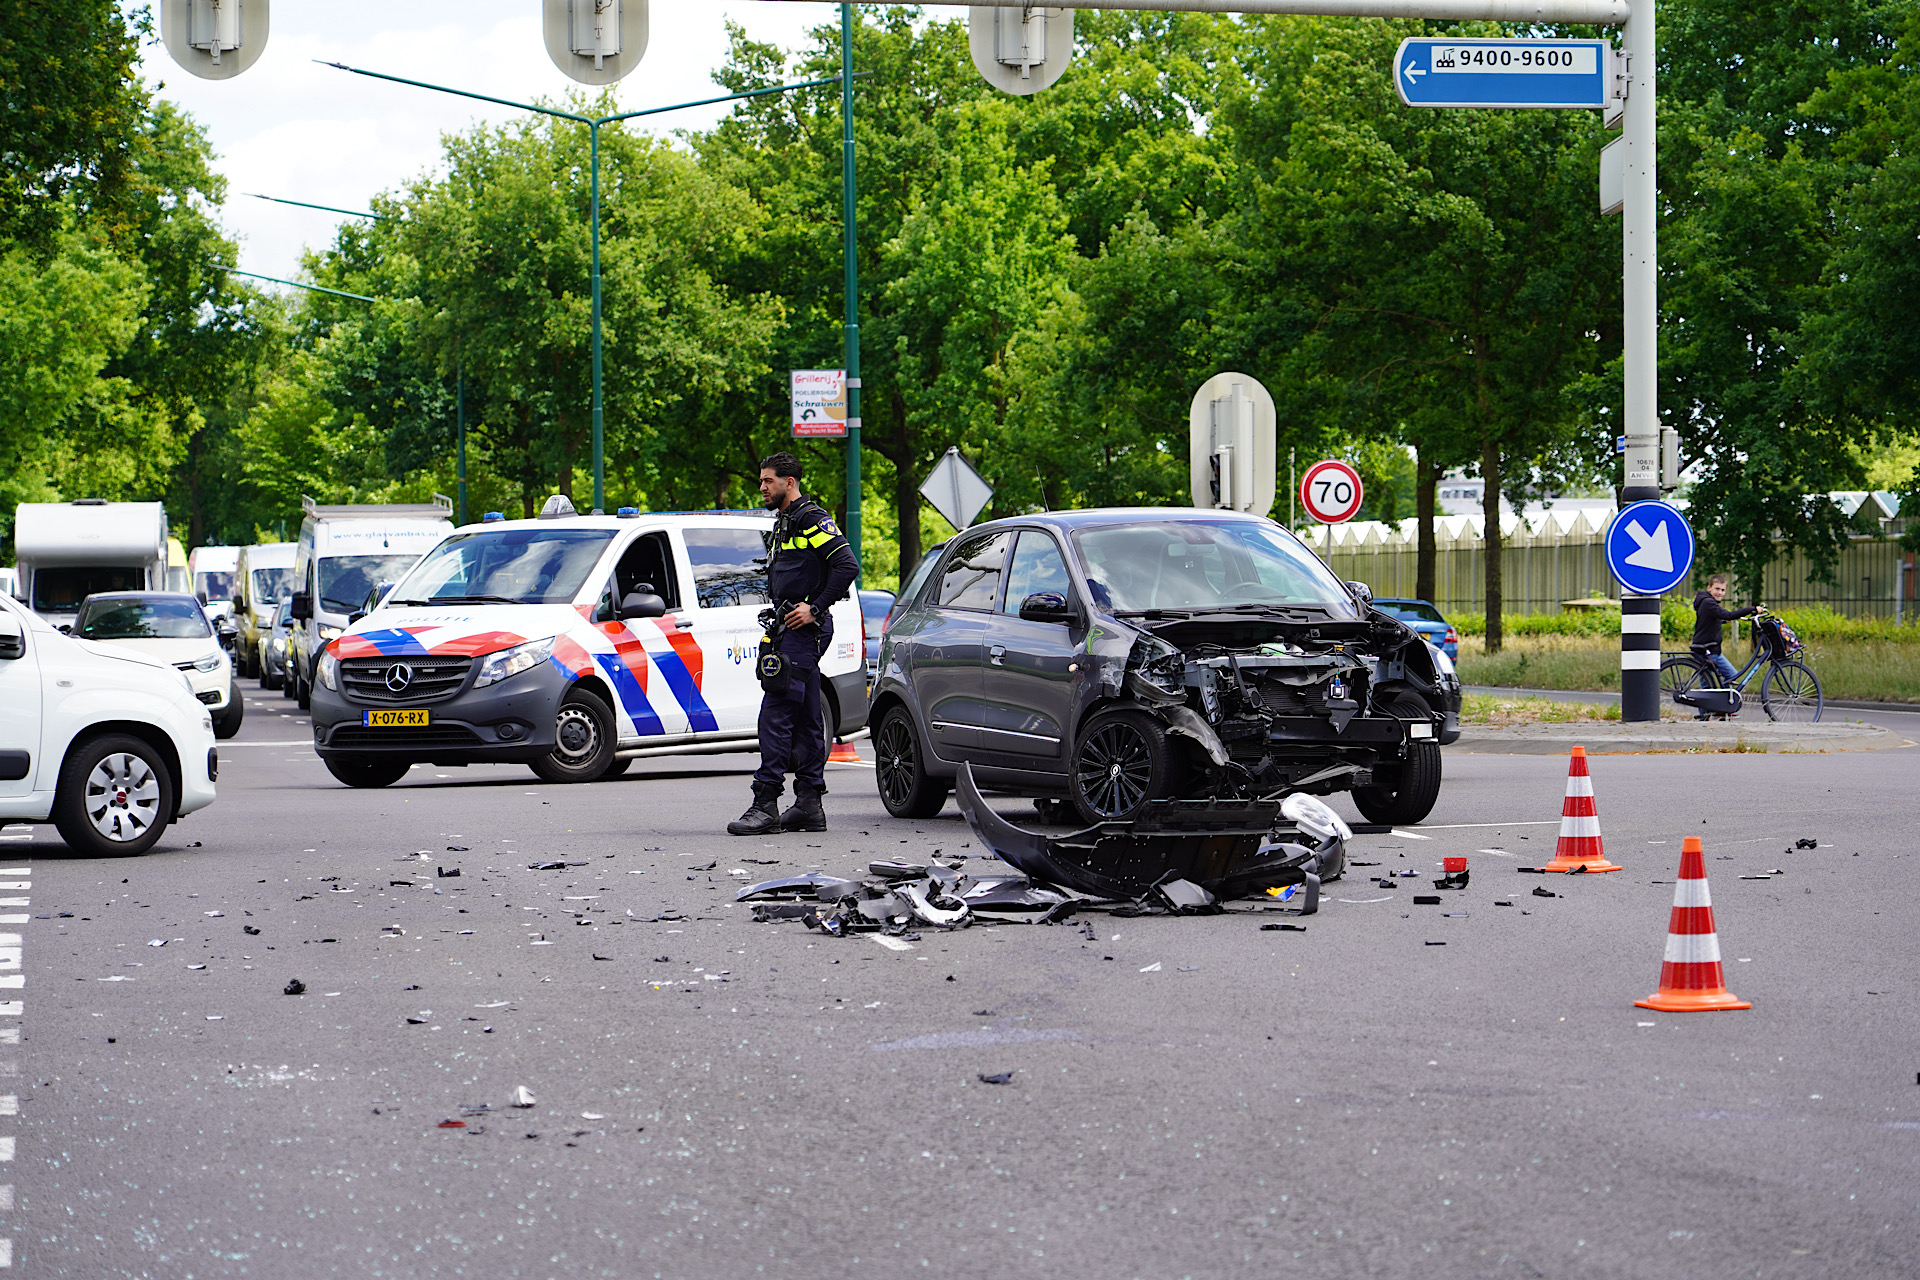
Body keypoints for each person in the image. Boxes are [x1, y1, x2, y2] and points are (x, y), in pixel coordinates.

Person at [727, 452, 859, 836]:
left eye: (768, 481)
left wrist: (814, 608)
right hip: (790, 630)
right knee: (804, 719)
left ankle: (765, 803)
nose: (762, 487)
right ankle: (808, 804)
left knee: (776, 712)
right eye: (762, 480)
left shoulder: (810, 518)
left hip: (804, 632)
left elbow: (847, 565)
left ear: (790, 482)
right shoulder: (784, 522)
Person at [1690, 573, 1759, 684]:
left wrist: (1721, 621)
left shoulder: (1707, 602)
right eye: (1717, 589)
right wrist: (1752, 609)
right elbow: (1729, 615)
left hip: (1711, 649)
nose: (1720, 593)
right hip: (1707, 649)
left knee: (1723, 678)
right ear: (1709, 588)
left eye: (1723, 590)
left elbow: (1707, 620)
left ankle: (1721, 700)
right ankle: (1718, 700)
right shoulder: (1708, 602)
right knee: (1717, 682)